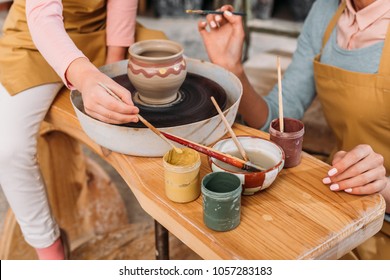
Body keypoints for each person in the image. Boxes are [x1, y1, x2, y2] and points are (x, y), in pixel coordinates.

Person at [197, 0, 390, 259]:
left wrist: (382, 187)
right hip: (341, 199)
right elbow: (278, 121)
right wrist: (232, 69)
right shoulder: (326, 10)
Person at [0, 0, 165, 260]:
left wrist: (113, 65)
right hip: (36, 35)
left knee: (166, 67)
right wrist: (86, 77)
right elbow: (43, 14)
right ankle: (50, 247)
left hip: (102, 29)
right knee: (9, 150)